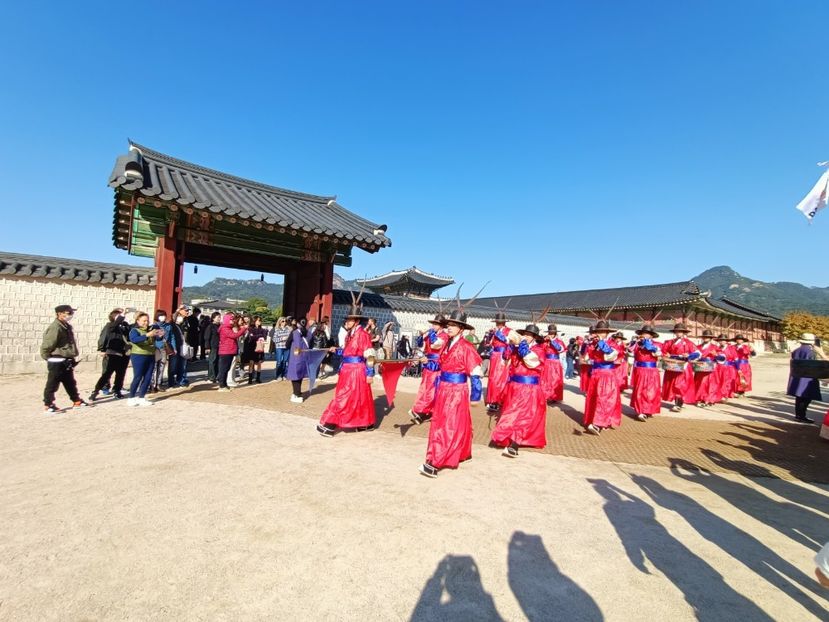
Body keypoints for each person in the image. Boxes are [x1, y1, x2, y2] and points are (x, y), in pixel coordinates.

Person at [419, 309, 483, 478]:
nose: (449, 327)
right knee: (447, 422)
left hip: (456, 390)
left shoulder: (466, 347)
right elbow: (439, 365)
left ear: (461, 329)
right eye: (449, 324)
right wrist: (428, 361)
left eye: (454, 325)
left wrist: (476, 395)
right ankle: (461, 453)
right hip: (443, 388)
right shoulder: (447, 344)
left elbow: (476, 372)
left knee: (448, 425)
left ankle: (435, 461)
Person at [317, 305, 376, 436]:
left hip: (357, 371)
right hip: (347, 370)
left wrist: (370, 373)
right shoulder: (349, 335)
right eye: (347, 320)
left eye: (350, 320)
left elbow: (370, 355)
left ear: (357, 321)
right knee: (357, 398)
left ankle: (331, 423)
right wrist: (336, 350)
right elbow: (347, 352)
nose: (347, 322)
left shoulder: (363, 335)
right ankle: (365, 423)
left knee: (345, 397)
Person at [491, 323, 546, 458]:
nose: (526, 337)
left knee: (523, 416)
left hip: (529, 388)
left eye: (529, 335)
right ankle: (509, 437)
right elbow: (506, 362)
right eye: (525, 334)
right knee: (511, 414)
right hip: (514, 387)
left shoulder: (539, 350)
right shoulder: (517, 349)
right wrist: (509, 350)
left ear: (535, 338)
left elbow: (531, 362)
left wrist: (522, 347)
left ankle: (515, 444)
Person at [41, 304, 88, 412]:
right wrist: (48, 357)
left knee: (70, 382)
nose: (71, 315)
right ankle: (48, 405)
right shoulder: (55, 327)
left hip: (66, 360)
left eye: (72, 312)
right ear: (60, 314)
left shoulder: (66, 326)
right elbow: (48, 344)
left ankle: (76, 401)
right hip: (57, 360)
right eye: (69, 313)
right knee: (52, 384)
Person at [582, 320, 621, 435]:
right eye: (598, 332)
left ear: (607, 333)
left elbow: (611, 356)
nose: (600, 334)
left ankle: (598, 424)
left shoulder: (612, 344)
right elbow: (586, 357)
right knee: (594, 398)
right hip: (595, 374)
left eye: (603, 332)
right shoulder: (593, 344)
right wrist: (587, 344)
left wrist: (602, 345)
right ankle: (594, 419)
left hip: (607, 374)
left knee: (604, 399)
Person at [409, 314, 448, 425]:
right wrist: (421, 335)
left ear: (441, 326)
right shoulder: (433, 334)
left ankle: (421, 411)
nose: (433, 325)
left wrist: (430, 333)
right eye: (433, 323)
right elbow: (421, 344)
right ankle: (424, 411)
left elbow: (437, 345)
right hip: (428, 363)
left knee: (432, 390)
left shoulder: (444, 336)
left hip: (437, 365)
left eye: (436, 324)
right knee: (425, 388)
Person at [90, 309, 131, 401]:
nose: (122, 317)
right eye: (119, 316)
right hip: (113, 352)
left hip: (124, 352)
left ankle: (117, 390)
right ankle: (96, 391)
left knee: (121, 373)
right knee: (107, 373)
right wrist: (102, 349)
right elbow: (103, 337)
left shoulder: (125, 326)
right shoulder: (110, 326)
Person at [660, 323, 699, 412]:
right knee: (672, 385)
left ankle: (679, 404)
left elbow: (697, 353)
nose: (678, 333)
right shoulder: (669, 342)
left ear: (684, 333)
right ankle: (676, 402)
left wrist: (688, 355)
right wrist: (666, 355)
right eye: (677, 331)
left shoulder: (688, 343)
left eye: (680, 332)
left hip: (683, 366)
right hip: (672, 365)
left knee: (680, 385)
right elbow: (662, 351)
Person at [128, 312, 164, 406]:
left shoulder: (151, 329)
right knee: (138, 376)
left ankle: (141, 397)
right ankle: (131, 397)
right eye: (144, 321)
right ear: (138, 321)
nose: (146, 322)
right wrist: (147, 335)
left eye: (147, 320)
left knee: (148, 377)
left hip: (150, 355)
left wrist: (160, 335)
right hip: (138, 355)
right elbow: (134, 340)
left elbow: (158, 340)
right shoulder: (134, 330)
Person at [786, 333, 823, 423]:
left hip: (797, 376)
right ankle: (801, 416)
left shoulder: (796, 350)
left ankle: (798, 415)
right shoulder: (811, 352)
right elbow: (814, 365)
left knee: (799, 397)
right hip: (808, 377)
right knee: (806, 397)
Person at [629, 324, 662, 421]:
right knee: (640, 391)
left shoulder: (657, 345)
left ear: (651, 336)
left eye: (648, 334)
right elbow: (629, 351)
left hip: (651, 370)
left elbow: (657, 353)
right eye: (643, 334)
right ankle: (640, 411)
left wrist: (647, 343)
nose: (645, 335)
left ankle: (649, 410)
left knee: (651, 391)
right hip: (639, 370)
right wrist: (634, 342)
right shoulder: (637, 345)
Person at [485, 311, 513, 412]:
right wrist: (489, 335)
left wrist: (497, 333)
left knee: (500, 379)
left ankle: (499, 400)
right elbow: (488, 343)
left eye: (500, 322)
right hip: (494, 356)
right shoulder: (494, 330)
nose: (498, 324)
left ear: (504, 323)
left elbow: (508, 341)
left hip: (503, 357)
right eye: (497, 322)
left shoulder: (509, 331)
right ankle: (492, 400)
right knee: (492, 378)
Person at [217, 312, 248, 391]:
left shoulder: (228, 328)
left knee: (226, 368)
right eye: (231, 319)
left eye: (233, 319)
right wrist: (243, 329)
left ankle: (224, 384)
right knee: (223, 369)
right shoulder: (224, 328)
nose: (233, 321)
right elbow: (234, 335)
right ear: (227, 320)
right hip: (225, 351)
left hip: (229, 351)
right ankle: (222, 386)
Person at [693, 329, 722, 408]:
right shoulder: (698, 347)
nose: (706, 338)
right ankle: (699, 398)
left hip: (710, 368)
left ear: (710, 338)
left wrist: (716, 355)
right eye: (704, 337)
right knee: (700, 384)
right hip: (700, 368)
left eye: (707, 337)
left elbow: (722, 358)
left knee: (711, 384)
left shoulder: (715, 347)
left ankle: (709, 400)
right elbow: (693, 356)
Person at [150, 309, 177, 393]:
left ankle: (158, 384)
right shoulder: (153, 326)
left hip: (164, 348)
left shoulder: (168, 326)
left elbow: (172, 337)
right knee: (154, 367)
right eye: (161, 315)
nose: (163, 317)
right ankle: (152, 385)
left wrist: (174, 347)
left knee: (162, 367)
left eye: (164, 315)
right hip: (155, 348)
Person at [286, 318, 309, 402]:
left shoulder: (294, 332)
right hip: (304, 356)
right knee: (300, 375)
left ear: (298, 323)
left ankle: (296, 394)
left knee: (294, 375)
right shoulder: (309, 333)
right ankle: (297, 392)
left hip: (295, 356)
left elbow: (287, 344)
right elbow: (312, 344)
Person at [542, 324, 566, 403]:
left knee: (555, 380)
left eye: (552, 333)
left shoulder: (559, 341)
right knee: (546, 379)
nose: (551, 334)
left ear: (555, 333)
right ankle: (545, 395)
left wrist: (552, 341)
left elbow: (559, 349)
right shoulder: (545, 341)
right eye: (550, 333)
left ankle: (554, 396)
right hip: (546, 362)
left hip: (555, 363)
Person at [243, 316, 269, 384]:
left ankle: (258, 378)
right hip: (252, 348)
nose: (259, 322)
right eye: (258, 320)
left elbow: (264, 337)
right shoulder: (251, 329)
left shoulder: (263, 329)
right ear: (254, 321)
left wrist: (258, 336)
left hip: (260, 347)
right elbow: (251, 338)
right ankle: (250, 379)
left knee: (259, 363)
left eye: (260, 320)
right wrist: (259, 336)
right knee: (251, 363)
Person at [203, 312, 221, 382]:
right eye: (218, 317)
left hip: (220, 346)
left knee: (218, 362)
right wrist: (207, 347)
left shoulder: (220, 326)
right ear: (213, 318)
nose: (219, 319)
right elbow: (207, 337)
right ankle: (211, 377)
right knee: (212, 361)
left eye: (220, 317)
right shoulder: (210, 326)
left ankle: (217, 376)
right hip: (213, 346)